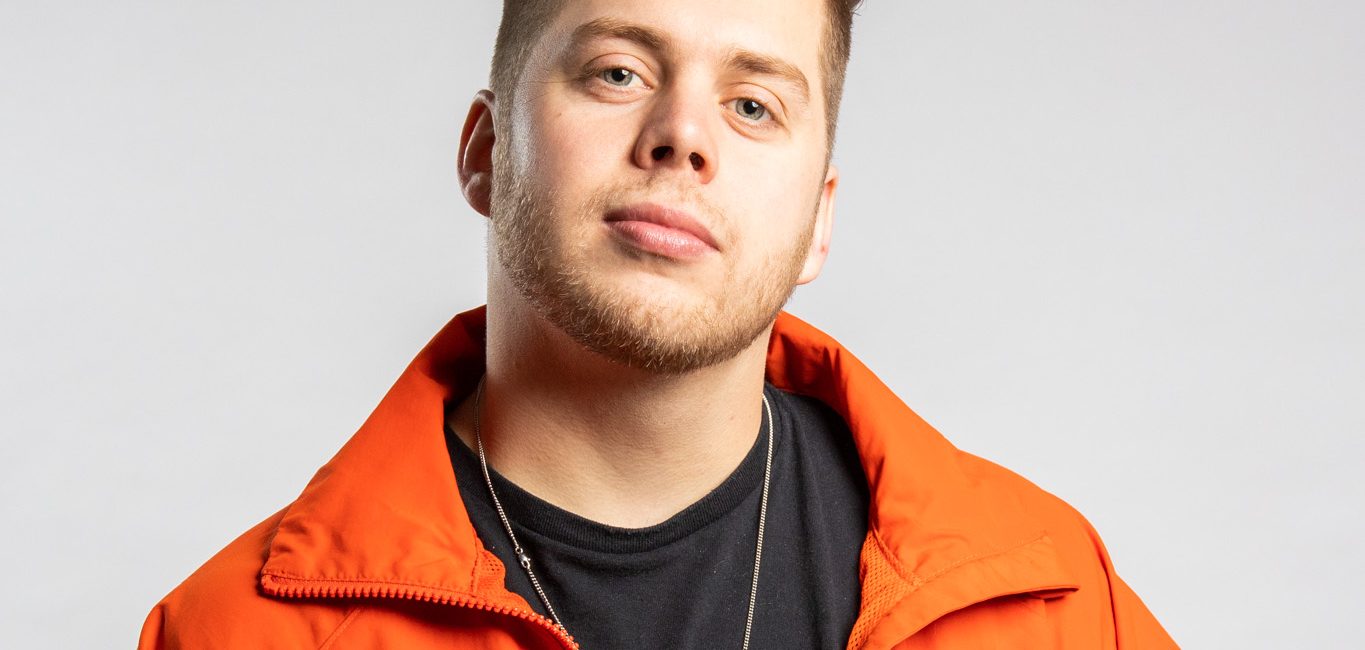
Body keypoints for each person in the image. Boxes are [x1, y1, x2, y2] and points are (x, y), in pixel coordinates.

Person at [140, 0, 1178, 648]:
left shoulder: (1052, 603)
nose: (681, 135)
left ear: (817, 223)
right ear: (485, 152)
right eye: (618, 72)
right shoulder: (236, 632)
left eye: (753, 104)